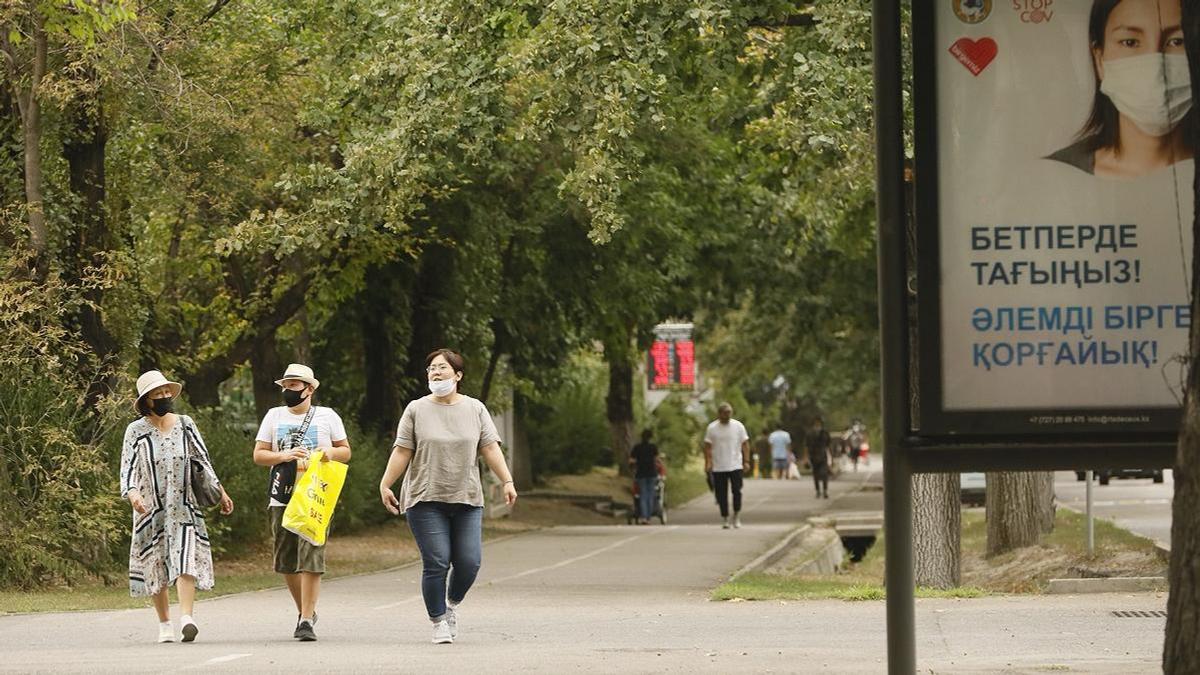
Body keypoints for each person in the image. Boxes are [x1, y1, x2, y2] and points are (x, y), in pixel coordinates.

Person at [380, 349, 518, 644]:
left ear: (458, 375)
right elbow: (403, 450)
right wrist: (386, 483)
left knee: (469, 562)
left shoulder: (475, 409)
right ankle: (438, 620)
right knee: (437, 562)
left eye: (442, 368)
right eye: (431, 368)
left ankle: (451, 604)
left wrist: (506, 480)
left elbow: (490, 448)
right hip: (425, 497)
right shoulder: (416, 409)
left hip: (466, 497)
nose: (436, 372)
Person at [120, 370, 234, 644]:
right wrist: (133, 494)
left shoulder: (185, 423)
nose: (164, 397)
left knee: (186, 558)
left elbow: (202, 459)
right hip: (150, 509)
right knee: (154, 563)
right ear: (146, 400)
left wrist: (221, 492)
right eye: (157, 394)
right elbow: (127, 469)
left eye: (166, 392)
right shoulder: (135, 431)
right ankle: (164, 624)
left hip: (183, 505)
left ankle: (187, 618)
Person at [252, 363, 351, 642]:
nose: (288, 390)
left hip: (316, 495)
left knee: (312, 553)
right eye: (286, 385)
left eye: (294, 385)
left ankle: (306, 618)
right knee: (286, 559)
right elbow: (259, 455)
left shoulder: (327, 416)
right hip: (281, 493)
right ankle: (304, 611)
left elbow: (345, 451)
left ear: (309, 389)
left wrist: (329, 452)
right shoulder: (273, 416)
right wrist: (284, 456)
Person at [1046, 0, 1192, 178]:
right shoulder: (1055, 173)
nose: (1156, 70)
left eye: (1177, 41)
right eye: (1130, 42)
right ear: (1100, 60)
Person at [703, 402, 751, 529]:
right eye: (725, 413)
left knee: (737, 491)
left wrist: (746, 461)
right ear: (719, 414)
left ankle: (736, 515)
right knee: (721, 493)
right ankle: (725, 517)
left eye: (730, 412)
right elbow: (707, 447)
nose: (728, 415)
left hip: (735, 464)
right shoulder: (712, 428)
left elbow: (745, 444)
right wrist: (708, 462)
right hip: (719, 466)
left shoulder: (738, 426)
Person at [629, 429, 659, 524]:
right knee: (651, 495)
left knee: (643, 495)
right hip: (652, 473)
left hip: (641, 474)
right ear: (650, 437)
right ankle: (649, 517)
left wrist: (637, 463)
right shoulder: (653, 447)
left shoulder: (637, 447)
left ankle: (644, 517)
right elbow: (656, 460)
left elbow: (631, 461)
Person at [805, 417, 832, 499]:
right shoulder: (809, 434)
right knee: (815, 474)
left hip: (823, 455)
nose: (817, 425)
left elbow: (828, 445)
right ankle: (818, 490)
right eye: (816, 424)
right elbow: (806, 446)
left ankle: (825, 490)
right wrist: (806, 458)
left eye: (819, 424)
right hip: (813, 455)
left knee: (824, 474)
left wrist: (831, 457)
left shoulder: (825, 433)